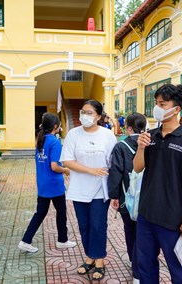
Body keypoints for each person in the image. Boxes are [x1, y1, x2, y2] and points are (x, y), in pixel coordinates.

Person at [134, 84, 182, 283]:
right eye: (156, 103)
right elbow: (138, 168)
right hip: (147, 214)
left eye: (162, 104)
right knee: (145, 265)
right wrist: (141, 148)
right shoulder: (151, 136)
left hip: (173, 218)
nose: (157, 108)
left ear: (176, 108)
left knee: (179, 269)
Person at [60, 100, 117, 281]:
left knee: (98, 225)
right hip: (79, 189)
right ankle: (90, 256)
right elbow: (67, 161)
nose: (85, 115)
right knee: (84, 225)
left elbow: (114, 163)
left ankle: (99, 260)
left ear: (99, 116)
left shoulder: (107, 135)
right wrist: (91, 170)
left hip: (101, 190)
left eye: (90, 113)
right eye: (83, 112)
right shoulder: (73, 134)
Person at [18, 113, 76, 253]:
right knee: (61, 212)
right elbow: (54, 166)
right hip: (54, 185)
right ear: (56, 126)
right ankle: (62, 240)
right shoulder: (54, 142)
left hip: (43, 184)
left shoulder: (40, 139)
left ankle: (26, 240)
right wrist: (66, 170)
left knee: (40, 213)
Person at [107, 113, 147, 282]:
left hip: (126, 198)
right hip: (147, 198)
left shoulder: (121, 146)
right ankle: (144, 264)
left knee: (130, 229)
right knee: (144, 233)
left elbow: (115, 172)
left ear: (128, 128)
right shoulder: (150, 143)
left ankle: (134, 261)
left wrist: (114, 196)